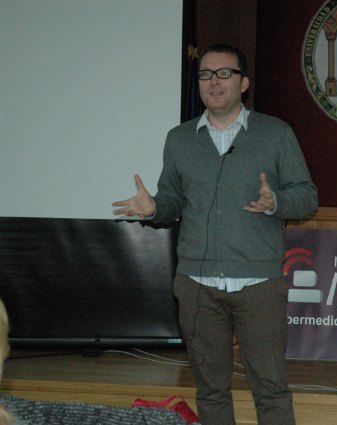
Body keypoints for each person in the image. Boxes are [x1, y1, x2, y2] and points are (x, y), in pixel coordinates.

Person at [112, 43, 318, 425]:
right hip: (197, 285)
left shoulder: (275, 134)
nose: (214, 81)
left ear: (244, 83)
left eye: (225, 73)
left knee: (271, 389)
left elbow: (306, 197)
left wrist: (276, 202)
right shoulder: (179, 139)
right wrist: (155, 209)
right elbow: (172, 200)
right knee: (210, 390)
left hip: (258, 285)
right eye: (206, 74)